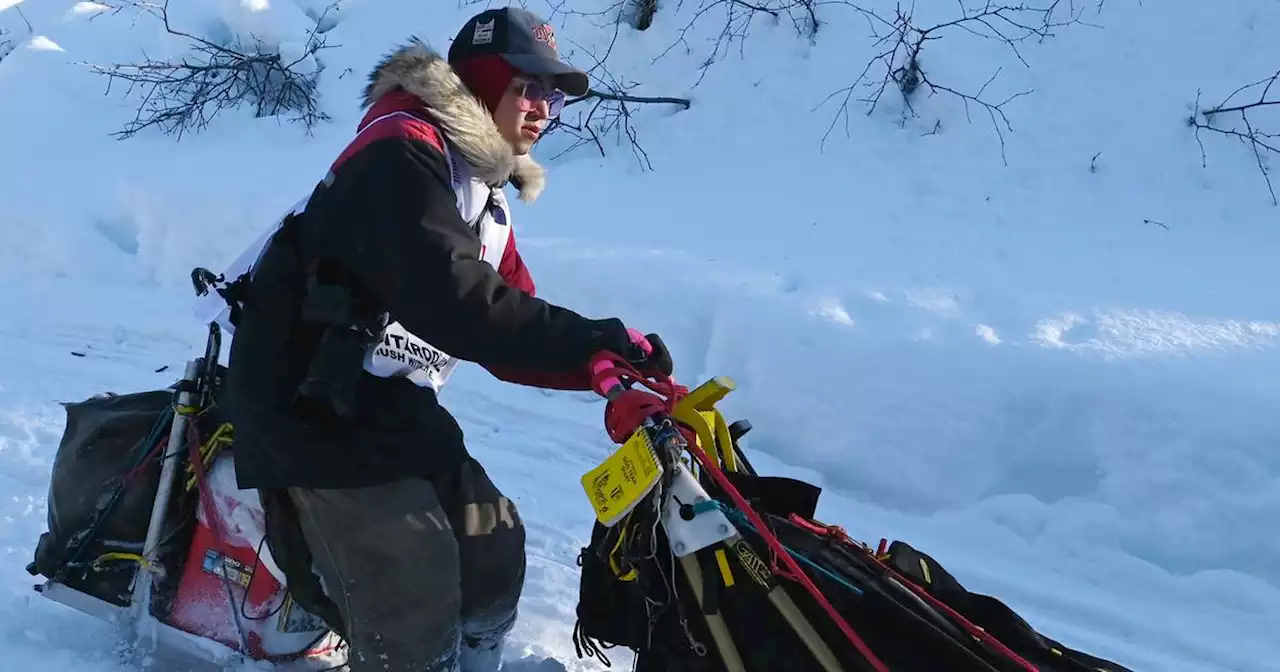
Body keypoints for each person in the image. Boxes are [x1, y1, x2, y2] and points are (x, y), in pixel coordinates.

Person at [219, 7, 673, 672]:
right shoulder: (400, 153)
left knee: (493, 550)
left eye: (554, 96)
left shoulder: (482, 195)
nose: (544, 109)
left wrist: (606, 364)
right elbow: (459, 303)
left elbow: (509, 320)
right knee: (414, 585)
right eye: (530, 88)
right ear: (485, 83)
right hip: (305, 406)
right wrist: (597, 341)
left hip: (386, 403)